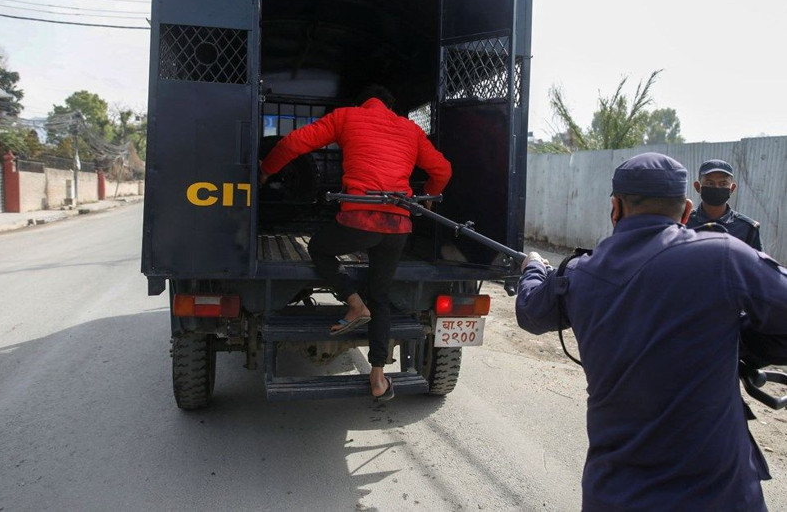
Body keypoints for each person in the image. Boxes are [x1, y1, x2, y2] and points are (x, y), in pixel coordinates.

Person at [515, 152, 787, 511]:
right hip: (721, 494)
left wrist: (534, 267)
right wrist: (742, 339)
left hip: (617, 495)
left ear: (615, 207)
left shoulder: (578, 274)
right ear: (687, 211)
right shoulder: (724, 256)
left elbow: (530, 312)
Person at [260, 85, 452, 400]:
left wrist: (266, 171)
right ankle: (378, 378)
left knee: (319, 248)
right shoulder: (409, 129)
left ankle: (352, 301)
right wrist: (428, 198)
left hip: (359, 222)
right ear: (391, 107)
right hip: (397, 226)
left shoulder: (348, 117)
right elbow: (443, 169)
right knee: (381, 295)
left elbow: (294, 142)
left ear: (360, 103)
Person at [687, 158, 763, 250]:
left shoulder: (747, 229)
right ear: (698, 187)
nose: (716, 187)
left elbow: (757, 263)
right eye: (710, 183)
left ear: (732, 189)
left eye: (723, 184)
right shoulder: (684, 224)